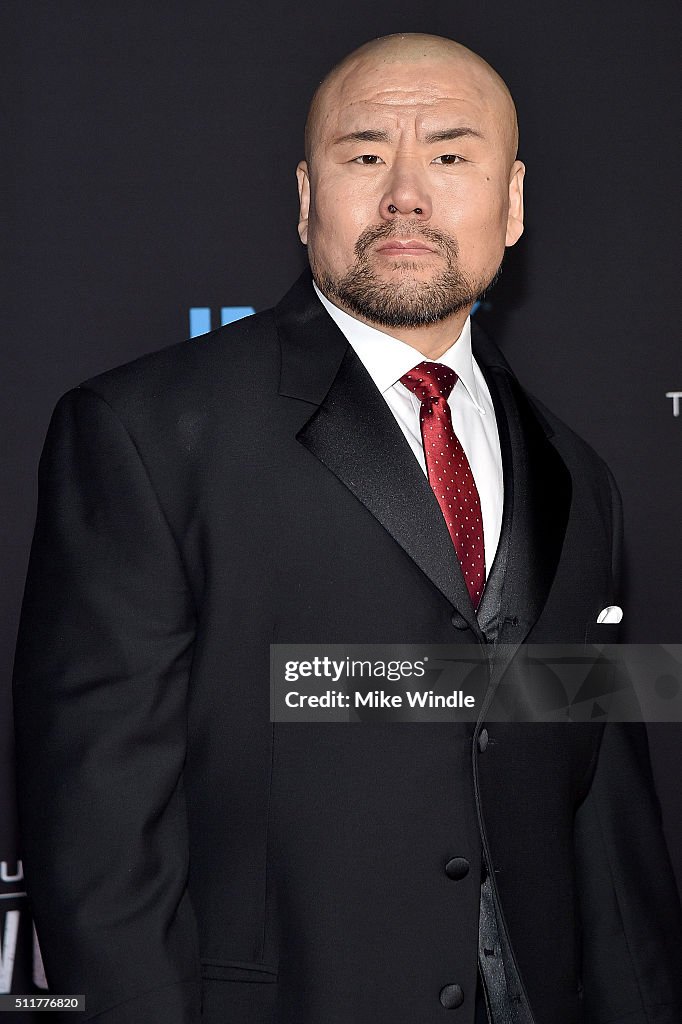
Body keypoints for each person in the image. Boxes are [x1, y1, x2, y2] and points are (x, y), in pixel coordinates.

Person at [12, 31, 682, 1024]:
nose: (405, 191)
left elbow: (604, 822)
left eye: (451, 156)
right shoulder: (144, 430)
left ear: (512, 203)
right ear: (303, 196)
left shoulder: (576, 469)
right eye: (365, 155)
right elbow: (98, 831)